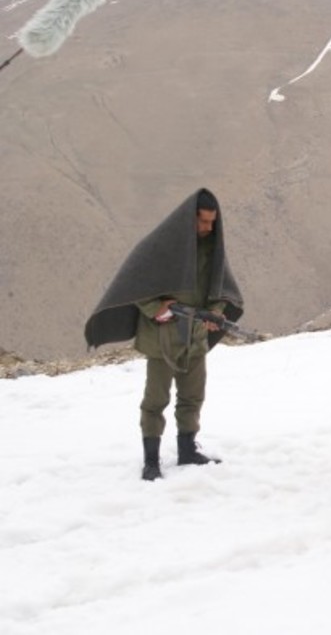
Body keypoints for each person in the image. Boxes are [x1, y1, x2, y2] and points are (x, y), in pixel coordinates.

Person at [85, 188, 243, 481]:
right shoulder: (161, 246)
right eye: (203, 222)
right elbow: (136, 283)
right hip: (161, 338)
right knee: (156, 400)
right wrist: (156, 308)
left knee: (192, 396)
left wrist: (216, 312)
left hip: (194, 336)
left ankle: (187, 450)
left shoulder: (211, 248)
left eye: (212, 223)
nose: (209, 229)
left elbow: (219, 286)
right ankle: (151, 461)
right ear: (189, 219)